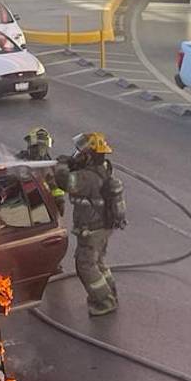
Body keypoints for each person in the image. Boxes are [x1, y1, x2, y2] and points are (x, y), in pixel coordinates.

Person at [56, 132, 127, 316]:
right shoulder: (103, 169)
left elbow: (65, 182)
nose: (77, 155)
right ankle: (110, 293)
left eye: (80, 152)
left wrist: (62, 165)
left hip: (92, 229)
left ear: (88, 155)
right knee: (99, 262)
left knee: (85, 265)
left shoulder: (87, 177)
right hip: (103, 227)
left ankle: (104, 301)